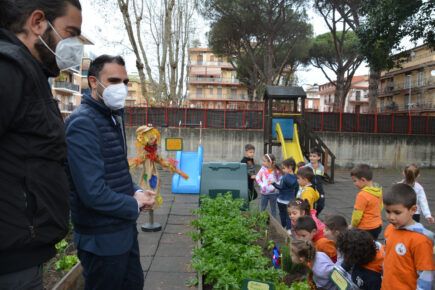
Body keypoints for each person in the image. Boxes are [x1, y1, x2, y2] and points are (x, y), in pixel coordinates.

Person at [0, 0, 83, 287]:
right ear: (37, 23)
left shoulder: (30, 74)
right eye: (70, 32)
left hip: (21, 250)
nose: (74, 45)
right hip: (11, 258)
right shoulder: (9, 68)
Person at [65, 55, 155, 290]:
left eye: (125, 82)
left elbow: (116, 170)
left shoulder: (112, 117)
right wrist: (133, 204)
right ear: (94, 82)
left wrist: (136, 191)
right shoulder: (82, 123)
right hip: (101, 239)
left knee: (134, 284)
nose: (121, 88)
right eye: (114, 80)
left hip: (122, 232)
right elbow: (92, 192)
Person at [382, 183, 435, 290]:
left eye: (397, 212)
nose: (391, 217)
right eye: (388, 211)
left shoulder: (420, 240)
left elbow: (426, 275)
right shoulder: (389, 229)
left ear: (413, 210)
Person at [350, 164, 383, 239]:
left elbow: (357, 215)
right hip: (377, 226)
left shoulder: (362, 195)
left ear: (363, 180)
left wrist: (352, 226)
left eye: (355, 181)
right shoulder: (378, 189)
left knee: (363, 248)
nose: (354, 183)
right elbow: (381, 206)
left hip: (365, 228)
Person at [271, 157, 298, 230]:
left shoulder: (285, 177)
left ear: (290, 168)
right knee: (289, 215)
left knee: (282, 214)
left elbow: (281, 187)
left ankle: (283, 226)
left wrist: (273, 183)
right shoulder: (296, 177)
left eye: (284, 168)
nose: (282, 170)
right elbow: (296, 189)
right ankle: (289, 229)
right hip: (290, 200)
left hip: (281, 200)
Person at [305, 147, 326, 215]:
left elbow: (320, 178)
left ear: (319, 157)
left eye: (314, 156)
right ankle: (313, 218)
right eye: (310, 156)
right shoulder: (307, 167)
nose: (311, 158)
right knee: (311, 206)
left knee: (321, 205)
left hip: (320, 190)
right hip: (311, 189)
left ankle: (315, 215)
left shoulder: (321, 167)